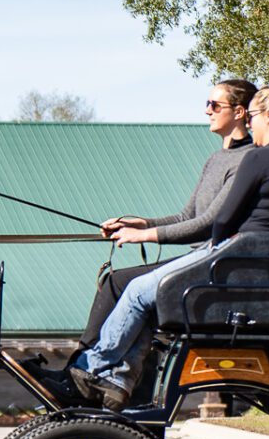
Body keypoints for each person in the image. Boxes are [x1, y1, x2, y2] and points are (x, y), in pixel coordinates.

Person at [54, 86, 269, 410]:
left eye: (252, 117)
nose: (251, 125)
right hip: (249, 265)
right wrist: (144, 225)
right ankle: (117, 382)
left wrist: (204, 248)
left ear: (268, 115)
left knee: (138, 291)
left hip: (233, 261)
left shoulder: (259, 156)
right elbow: (200, 216)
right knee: (146, 296)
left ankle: (94, 368)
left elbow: (221, 220)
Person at [75, 79, 257, 358]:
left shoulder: (247, 160)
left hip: (213, 266)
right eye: (207, 104)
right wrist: (140, 224)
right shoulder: (215, 159)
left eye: (214, 105)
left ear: (240, 112)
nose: (207, 111)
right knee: (117, 282)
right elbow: (186, 216)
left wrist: (144, 236)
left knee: (118, 283)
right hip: (199, 261)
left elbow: (207, 224)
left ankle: (81, 368)